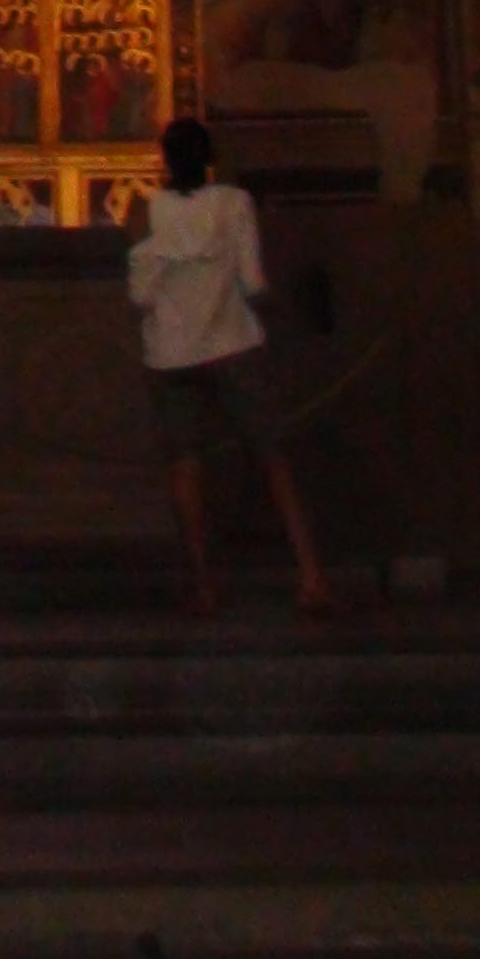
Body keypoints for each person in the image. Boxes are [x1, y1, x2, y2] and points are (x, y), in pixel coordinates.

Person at [128, 117, 333, 619]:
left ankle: (204, 586)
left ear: (164, 160)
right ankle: (310, 575)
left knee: (185, 465)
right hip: (232, 343)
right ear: (210, 158)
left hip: (171, 353)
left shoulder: (146, 210)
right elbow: (253, 281)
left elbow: (139, 295)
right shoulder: (234, 204)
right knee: (273, 458)